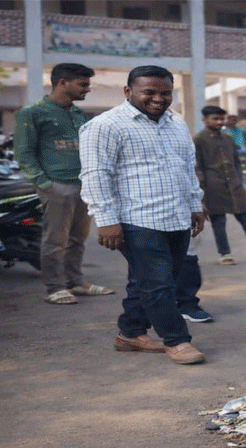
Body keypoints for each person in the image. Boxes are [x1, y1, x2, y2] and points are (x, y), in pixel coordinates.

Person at [80, 65, 206, 364]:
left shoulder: (176, 124)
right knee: (158, 284)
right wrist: (106, 220)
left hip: (175, 216)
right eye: (149, 92)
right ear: (128, 91)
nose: (158, 99)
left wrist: (195, 204)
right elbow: (96, 175)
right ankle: (177, 340)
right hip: (136, 219)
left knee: (149, 282)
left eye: (164, 93)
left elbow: (187, 168)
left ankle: (130, 333)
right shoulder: (105, 125)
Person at [14, 62, 114, 305]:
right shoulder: (32, 113)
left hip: (85, 185)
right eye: (83, 84)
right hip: (57, 185)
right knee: (54, 240)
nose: (87, 89)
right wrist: (44, 183)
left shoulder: (79, 114)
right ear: (62, 83)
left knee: (78, 239)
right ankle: (55, 287)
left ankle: (75, 282)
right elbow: (24, 152)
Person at [194, 105, 246, 265]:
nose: (219, 122)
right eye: (215, 119)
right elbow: (197, 167)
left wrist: (238, 179)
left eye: (221, 119)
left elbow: (236, 163)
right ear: (205, 120)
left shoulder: (228, 139)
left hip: (235, 185)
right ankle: (225, 254)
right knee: (219, 221)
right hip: (213, 187)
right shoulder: (198, 140)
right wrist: (202, 192)